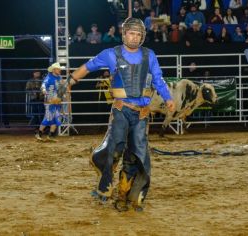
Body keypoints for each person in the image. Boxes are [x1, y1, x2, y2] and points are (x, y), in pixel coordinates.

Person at [68, 17, 175, 212]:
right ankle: (105, 187)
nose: (134, 37)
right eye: (131, 33)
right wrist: (70, 81)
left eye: (138, 34)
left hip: (141, 113)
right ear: (124, 34)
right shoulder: (111, 54)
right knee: (114, 149)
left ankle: (125, 195)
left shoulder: (149, 55)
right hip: (121, 109)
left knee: (136, 155)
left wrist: (168, 98)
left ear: (142, 37)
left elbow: (158, 79)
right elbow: (88, 66)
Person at [35, 62, 64, 141]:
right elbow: (43, 85)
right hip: (50, 101)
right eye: (58, 69)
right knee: (48, 117)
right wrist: (44, 89)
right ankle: (39, 134)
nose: (60, 70)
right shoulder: (49, 78)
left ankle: (50, 135)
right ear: (54, 70)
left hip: (56, 101)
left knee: (55, 118)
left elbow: (61, 88)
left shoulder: (59, 77)